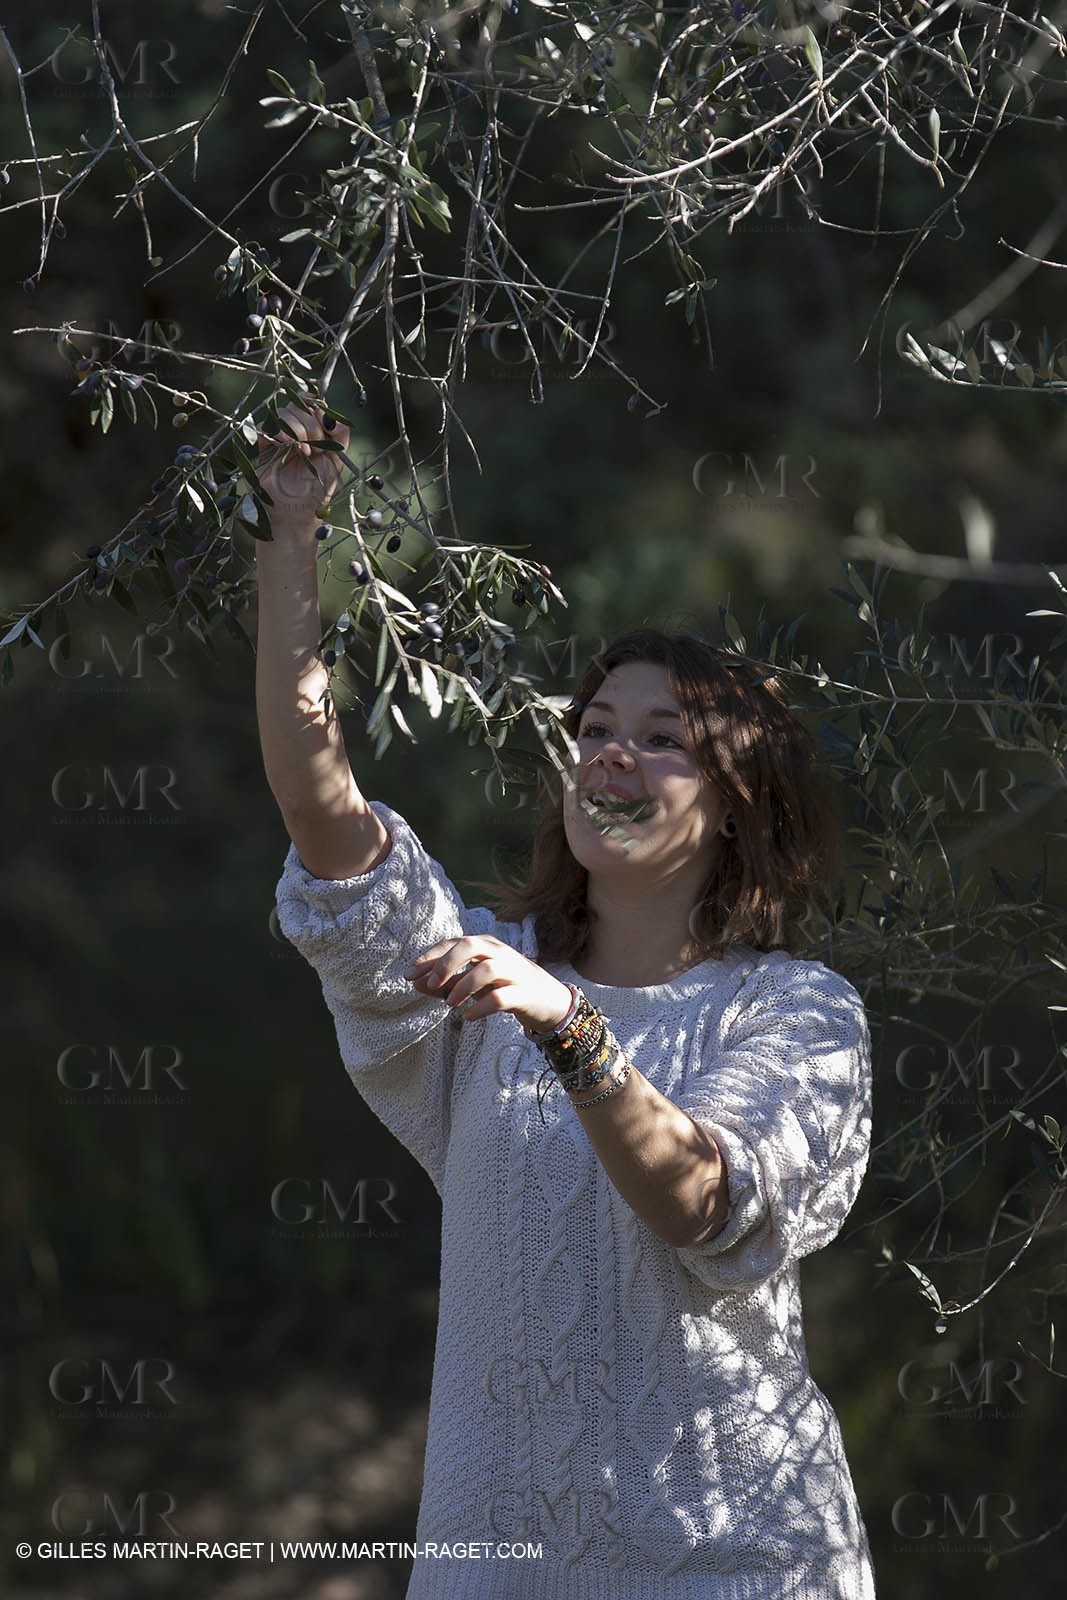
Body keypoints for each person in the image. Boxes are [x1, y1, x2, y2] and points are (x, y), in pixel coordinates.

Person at [256, 401, 876, 1598]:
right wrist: (290, 536)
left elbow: (702, 1202)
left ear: (740, 803)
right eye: (593, 729)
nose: (609, 754)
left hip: (734, 1566)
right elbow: (322, 814)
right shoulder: (479, 977)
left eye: (661, 739)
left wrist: (567, 1023)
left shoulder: (797, 1014)